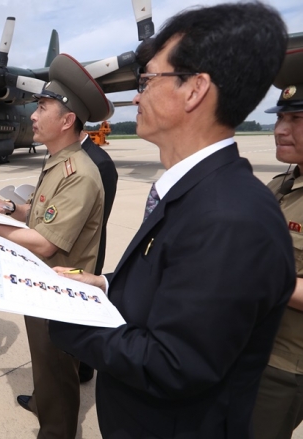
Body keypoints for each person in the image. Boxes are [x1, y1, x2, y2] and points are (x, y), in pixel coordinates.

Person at [47, 3, 295, 438]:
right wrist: (102, 285)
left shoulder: (231, 218)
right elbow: (169, 280)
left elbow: (174, 363)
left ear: (195, 89)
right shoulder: (197, 189)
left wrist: (64, 315)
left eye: (147, 80)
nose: (137, 96)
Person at [0, 54, 111, 438]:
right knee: (44, 362)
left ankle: (57, 430)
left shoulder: (79, 173)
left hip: (60, 290)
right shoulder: (57, 161)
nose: (33, 115)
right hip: (40, 283)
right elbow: (39, 212)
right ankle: (42, 402)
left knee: (57, 368)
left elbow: (46, 243)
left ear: (67, 120)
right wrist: (9, 208)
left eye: (43, 106)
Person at [252, 55, 303, 439]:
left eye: (296, 120)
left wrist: (256, 276)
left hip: (286, 364)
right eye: (280, 118)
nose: (279, 130)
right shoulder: (282, 184)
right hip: (254, 346)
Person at [78, 126, 118, 383]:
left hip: (85, 254)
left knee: (83, 312)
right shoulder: (67, 156)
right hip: (72, 250)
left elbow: (97, 219)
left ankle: (83, 368)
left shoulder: (99, 162)